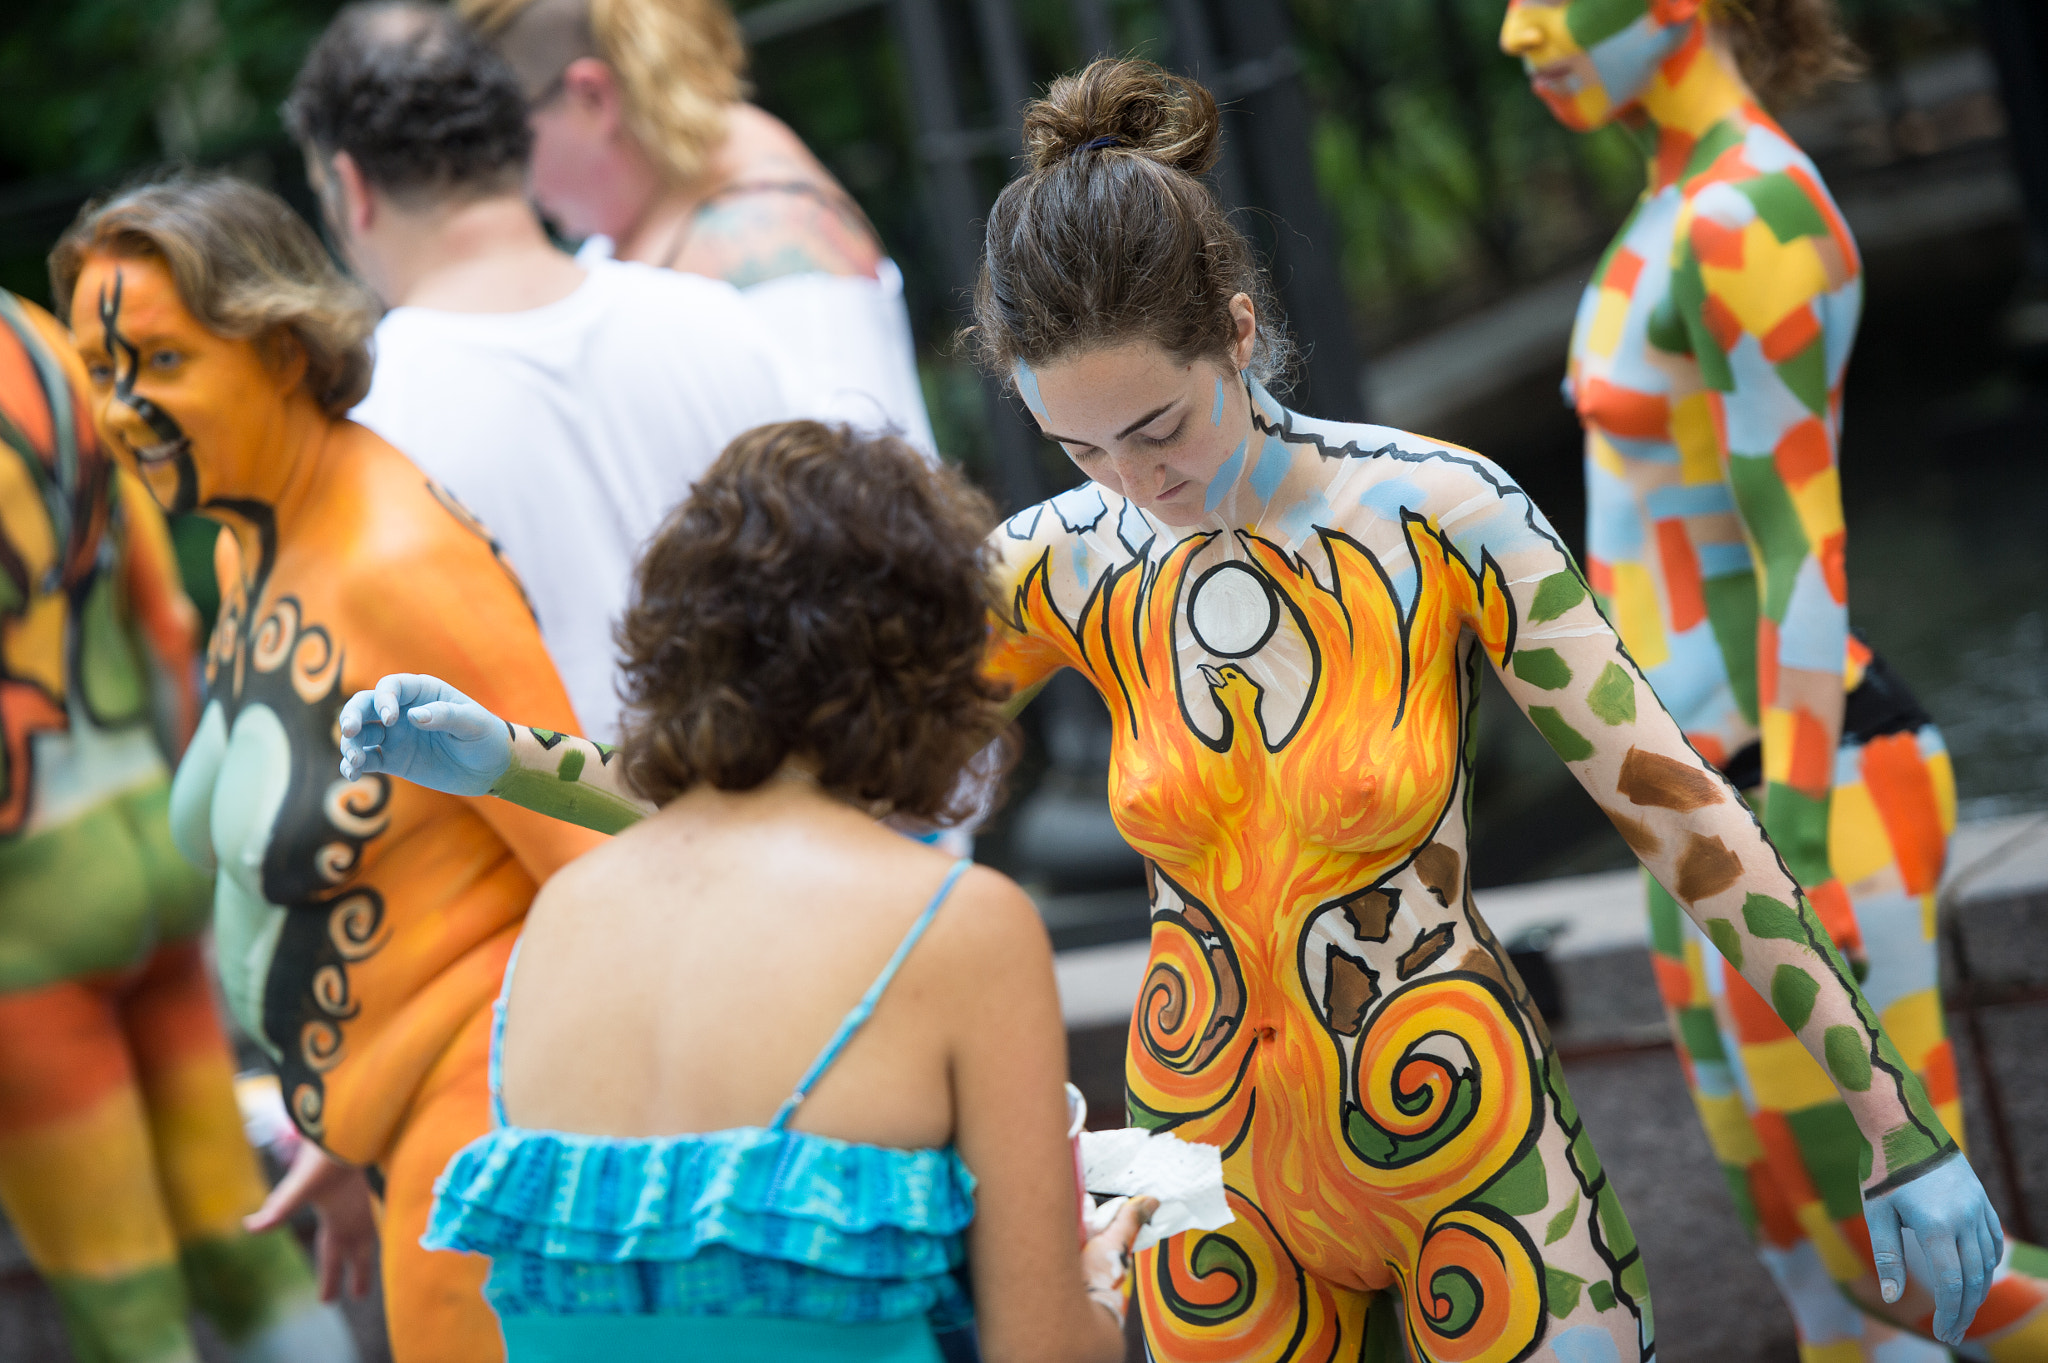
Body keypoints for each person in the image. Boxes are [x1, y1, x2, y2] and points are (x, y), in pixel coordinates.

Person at [319, 59, 2005, 1363]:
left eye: (1161, 426)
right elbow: (772, 804)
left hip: (1462, 1133)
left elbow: (1684, 819)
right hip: (1204, 1176)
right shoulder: (1065, 563)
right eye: (1079, 447)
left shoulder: (1438, 515)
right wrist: (508, 762)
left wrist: (1897, 1131)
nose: (1137, 478)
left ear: (1240, 332)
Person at [332, 420, 1153, 1360]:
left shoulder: (559, 917)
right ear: (929, 670)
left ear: (672, 648)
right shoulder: (958, 925)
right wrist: (1093, 1284)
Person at [1498, 0, 2048, 1354]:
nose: (1520, 32)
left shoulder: (1751, 217)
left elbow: (1803, 538)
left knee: (1914, 1268)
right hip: (1699, 809)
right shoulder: (1668, 209)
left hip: (1797, 795)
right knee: (1810, 1262)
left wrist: (1784, 837)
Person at [51, 174, 610, 1363]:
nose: (119, 410)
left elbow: (599, 858)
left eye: (157, 361)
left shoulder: (393, 559)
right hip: (396, 1138)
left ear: (283, 347)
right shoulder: (256, 540)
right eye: (102, 375)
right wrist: (341, 1123)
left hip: (490, 1146)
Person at [286, 1, 799, 744]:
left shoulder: (366, 424)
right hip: (803, 819)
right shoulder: (719, 321)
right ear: (511, 139)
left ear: (350, 187)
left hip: (577, 846)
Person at [0, 289, 356, 1363]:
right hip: (150, 851)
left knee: (124, 1301)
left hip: (25, 921)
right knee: (242, 1237)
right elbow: (168, 622)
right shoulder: (39, 342)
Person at [454, 0, 937, 456]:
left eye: (510, 133)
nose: (513, 173)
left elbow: (863, 509)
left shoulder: (775, 241)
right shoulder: (654, 202)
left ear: (592, 96)